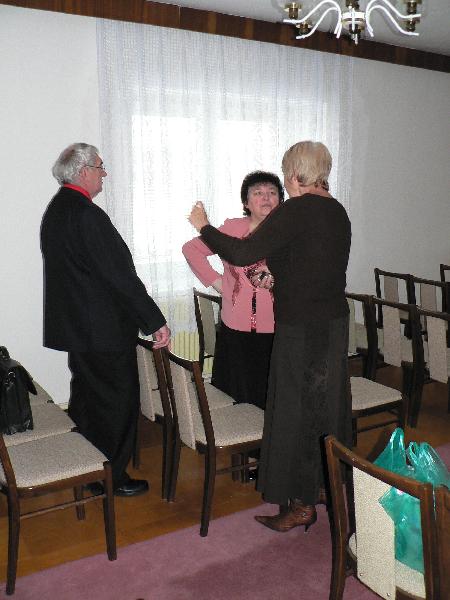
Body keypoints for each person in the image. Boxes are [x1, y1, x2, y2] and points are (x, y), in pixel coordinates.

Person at [188, 141, 351, 531]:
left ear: (293, 175)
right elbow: (308, 264)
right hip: (332, 323)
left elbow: (242, 254)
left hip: (302, 328)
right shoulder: (336, 210)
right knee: (324, 407)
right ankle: (323, 485)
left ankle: (301, 504)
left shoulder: (296, 209)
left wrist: (203, 226)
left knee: (296, 411)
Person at [41, 143, 170, 497]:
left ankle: (88, 468)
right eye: (100, 166)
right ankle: (111, 478)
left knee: (88, 401)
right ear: (84, 171)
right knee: (117, 404)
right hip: (103, 331)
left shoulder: (57, 209)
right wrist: (154, 320)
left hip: (80, 328)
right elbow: (119, 276)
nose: (104, 173)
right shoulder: (86, 214)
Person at [182, 171, 284, 411]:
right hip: (236, 325)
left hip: (278, 326)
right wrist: (218, 283)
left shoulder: (288, 231)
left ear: (280, 200)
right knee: (236, 393)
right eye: (258, 193)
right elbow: (191, 249)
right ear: (246, 203)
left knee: (272, 394)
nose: (266, 198)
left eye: (272, 192)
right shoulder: (232, 229)